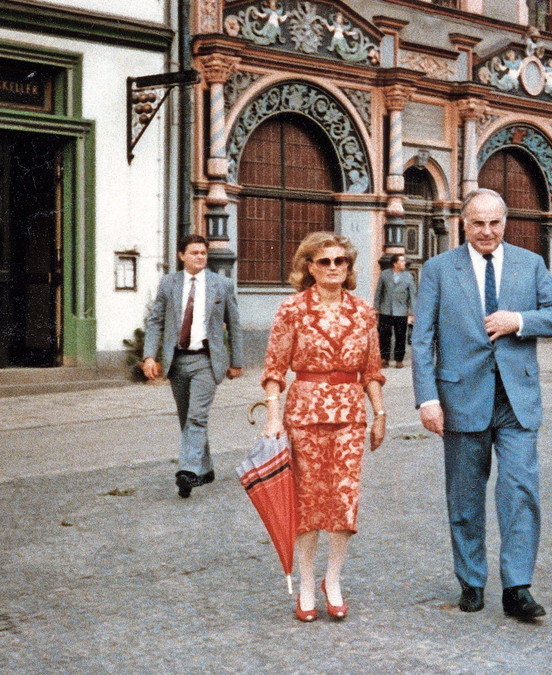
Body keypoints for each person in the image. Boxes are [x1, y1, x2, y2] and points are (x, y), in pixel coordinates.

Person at [411, 188, 552, 622]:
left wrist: (519, 320)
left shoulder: (530, 264)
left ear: (506, 222)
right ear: (465, 223)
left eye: (495, 223)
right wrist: (427, 398)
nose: (487, 231)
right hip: (461, 396)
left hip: (516, 400)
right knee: (465, 496)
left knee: (520, 490)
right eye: (478, 223)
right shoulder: (439, 270)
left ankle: (517, 587)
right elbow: (422, 340)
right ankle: (472, 580)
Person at [260, 232, 387, 623]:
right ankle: (305, 582)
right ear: (309, 266)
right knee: (307, 501)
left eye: (340, 262)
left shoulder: (364, 311)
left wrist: (379, 414)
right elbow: (274, 369)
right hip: (305, 414)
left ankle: (333, 580)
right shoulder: (292, 310)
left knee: (343, 499)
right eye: (324, 261)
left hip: (350, 415)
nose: (333, 268)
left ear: (349, 268)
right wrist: (271, 418)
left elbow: (372, 369)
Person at [143, 234, 244, 499]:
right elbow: (155, 322)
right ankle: (204, 469)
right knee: (187, 419)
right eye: (195, 253)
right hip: (177, 360)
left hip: (206, 361)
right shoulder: (168, 283)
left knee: (197, 417)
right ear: (181, 255)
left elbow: (234, 324)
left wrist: (236, 361)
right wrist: (149, 356)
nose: (200, 257)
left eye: (203, 253)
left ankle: (187, 471)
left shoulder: (221, 284)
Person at [373, 253, 415, 368]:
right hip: (385, 310)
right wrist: (376, 307)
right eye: (401, 261)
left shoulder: (408, 276)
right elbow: (379, 292)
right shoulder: (385, 274)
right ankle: (384, 358)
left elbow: (412, 295)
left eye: (404, 261)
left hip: (401, 311)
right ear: (394, 263)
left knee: (400, 336)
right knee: (384, 336)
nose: (404, 263)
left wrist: (413, 312)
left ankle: (399, 360)